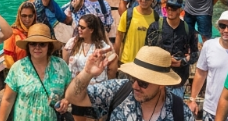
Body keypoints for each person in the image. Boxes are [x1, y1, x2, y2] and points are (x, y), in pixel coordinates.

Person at [65, 45, 195, 121]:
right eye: (133, 78)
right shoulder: (119, 90)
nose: (135, 85)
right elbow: (73, 97)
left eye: (143, 82)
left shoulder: (181, 113)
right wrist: (87, 72)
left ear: (161, 83)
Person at [0, 24, 72, 121]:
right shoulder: (18, 68)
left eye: (42, 44)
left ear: (48, 46)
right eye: (33, 43)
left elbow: (69, 90)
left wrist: (66, 100)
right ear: (28, 46)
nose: (37, 47)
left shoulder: (61, 65)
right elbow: (7, 100)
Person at [188, 11, 228, 121]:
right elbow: (201, 73)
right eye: (222, 26)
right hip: (210, 111)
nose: (226, 30)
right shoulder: (209, 46)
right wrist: (192, 99)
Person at [144, 0, 198, 98]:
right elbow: (146, 50)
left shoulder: (188, 30)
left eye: (173, 8)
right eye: (168, 7)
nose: (170, 11)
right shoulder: (155, 27)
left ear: (179, 10)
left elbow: (195, 54)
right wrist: (164, 59)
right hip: (157, 79)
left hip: (177, 81)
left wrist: (183, 61)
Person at [64, 14, 116, 85]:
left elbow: (113, 54)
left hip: (94, 84)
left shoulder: (100, 45)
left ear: (91, 30)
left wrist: (103, 51)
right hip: (76, 84)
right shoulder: (73, 43)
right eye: (78, 26)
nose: (79, 29)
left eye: (82, 27)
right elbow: (65, 65)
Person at [115, 0, 158, 65]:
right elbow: (119, 36)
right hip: (126, 62)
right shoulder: (128, 14)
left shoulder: (156, 18)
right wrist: (116, 57)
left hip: (145, 64)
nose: (144, 0)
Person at [3, 0, 36, 69]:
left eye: (30, 16)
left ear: (34, 16)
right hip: (18, 71)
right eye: (24, 16)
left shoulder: (38, 30)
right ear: (19, 16)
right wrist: (18, 73)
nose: (27, 19)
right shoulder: (12, 33)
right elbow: (8, 57)